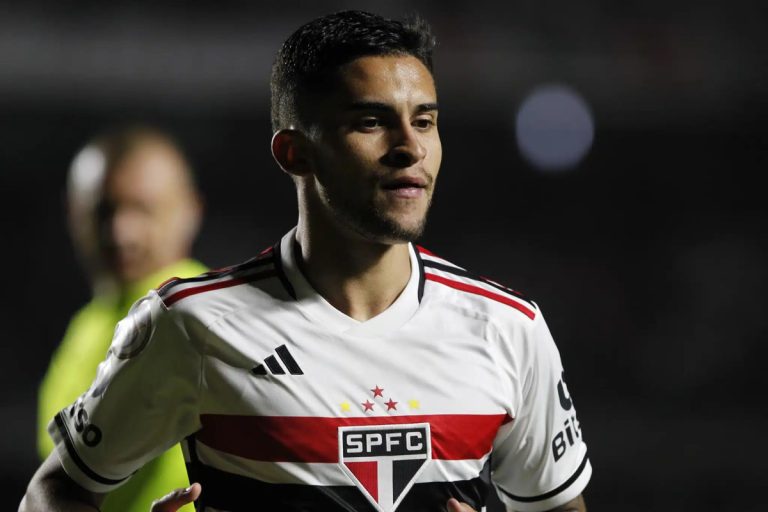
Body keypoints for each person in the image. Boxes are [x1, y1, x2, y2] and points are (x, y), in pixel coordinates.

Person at [20, 11, 591, 512]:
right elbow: (53, 492)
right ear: (295, 153)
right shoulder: (191, 324)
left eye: (424, 121)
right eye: (371, 122)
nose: (410, 147)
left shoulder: (508, 329)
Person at [35, 126, 206, 512]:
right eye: (104, 210)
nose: (120, 232)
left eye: (143, 209)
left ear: (190, 211)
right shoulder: (86, 326)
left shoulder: (201, 317)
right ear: (73, 213)